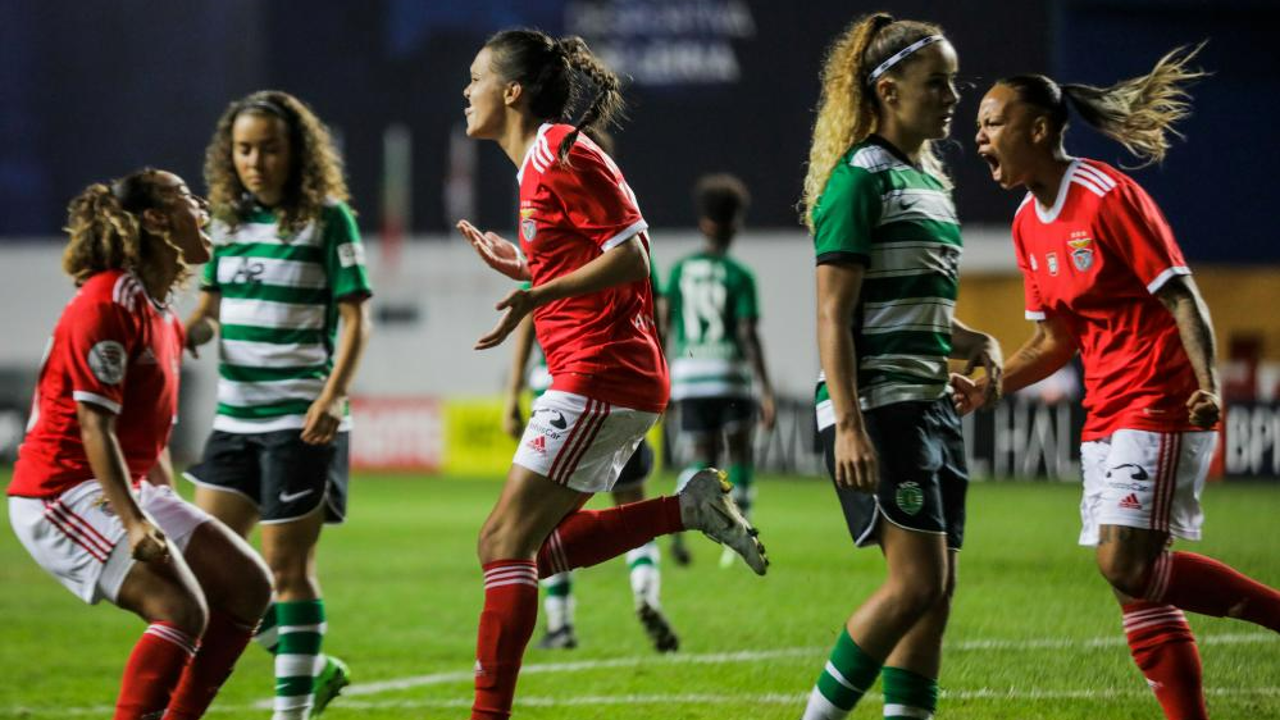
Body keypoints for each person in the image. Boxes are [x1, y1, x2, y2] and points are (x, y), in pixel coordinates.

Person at [456, 28, 767, 719]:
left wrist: (538, 293)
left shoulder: (561, 150)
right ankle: (685, 509)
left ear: (512, 91)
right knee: (523, 550)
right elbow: (587, 258)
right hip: (600, 375)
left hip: (599, 372)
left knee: (502, 544)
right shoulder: (536, 164)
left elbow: (635, 257)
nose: (466, 90)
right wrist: (525, 264)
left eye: (475, 77)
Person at [963, 45, 1280, 720]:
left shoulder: (1107, 197)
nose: (979, 135)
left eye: (992, 122)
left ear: (1039, 129)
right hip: (1103, 412)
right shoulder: (1027, 223)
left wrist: (1210, 385)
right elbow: (1056, 340)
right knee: (1137, 592)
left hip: (1157, 396)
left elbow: (1182, 295)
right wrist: (990, 385)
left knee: (1125, 563)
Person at [7, 169, 272, 719]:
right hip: (60, 492)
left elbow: (188, 335)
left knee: (249, 586)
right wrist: (134, 521)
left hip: (121, 486)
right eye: (186, 198)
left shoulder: (155, 309)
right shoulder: (106, 305)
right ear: (155, 219)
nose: (199, 206)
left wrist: (235, 289)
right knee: (179, 609)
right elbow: (93, 426)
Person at [798, 14, 1003, 720]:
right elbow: (834, 314)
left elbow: (913, 306)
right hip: (878, 408)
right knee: (915, 583)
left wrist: (974, 342)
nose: (953, 96)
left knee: (935, 592)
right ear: (888, 90)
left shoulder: (930, 183)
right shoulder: (858, 181)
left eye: (955, 82)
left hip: (926, 406)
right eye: (936, 83)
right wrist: (850, 426)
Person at [183, 90, 373, 719]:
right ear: (228, 154)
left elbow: (356, 322)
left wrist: (333, 396)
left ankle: (289, 712)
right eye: (244, 149)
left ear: (296, 152)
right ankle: (313, 668)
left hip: (301, 418)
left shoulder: (327, 217)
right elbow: (209, 311)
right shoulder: (225, 221)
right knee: (208, 569)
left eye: (269, 148)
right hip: (234, 419)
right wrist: (186, 332)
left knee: (286, 568)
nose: (256, 161)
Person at [503, 255, 679, 654]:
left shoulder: (553, 244)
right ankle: (646, 593)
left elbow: (528, 314)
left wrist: (511, 392)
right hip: (624, 386)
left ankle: (561, 621)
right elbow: (656, 319)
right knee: (632, 499)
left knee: (541, 519)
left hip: (559, 388)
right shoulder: (633, 248)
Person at [664, 173, 776, 568]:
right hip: (729, 375)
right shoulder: (739, 276)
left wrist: (662, 380)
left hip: (689, 377)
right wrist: (765, 388)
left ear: (703, 222)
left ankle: (676, 528)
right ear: (736, 224)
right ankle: (740, 536)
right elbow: (747, 333)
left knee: (700, 457)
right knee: (739, 451)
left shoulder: (678, 271)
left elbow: (663, 327)